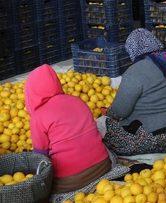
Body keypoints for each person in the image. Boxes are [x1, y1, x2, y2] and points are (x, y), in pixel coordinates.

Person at [103, 29, 166, 156]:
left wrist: (108, 113)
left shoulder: (135, 71)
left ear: (133, 50)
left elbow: (120, 111)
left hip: (163, 137)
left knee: (104, 129)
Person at [25, 65, 113, 194]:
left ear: (31, 91)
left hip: (70, 182)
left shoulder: (38, 117)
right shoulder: (77, 101)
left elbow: (40, 158)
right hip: (103, 167)